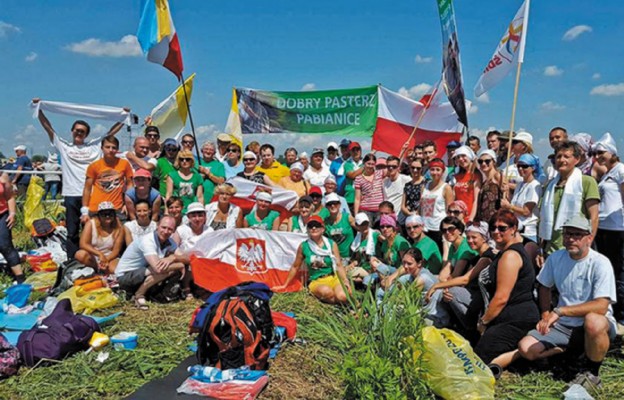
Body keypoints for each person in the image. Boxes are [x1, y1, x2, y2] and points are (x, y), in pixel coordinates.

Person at [517, 215, 617, 388]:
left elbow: (602, 305)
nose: (571, 239)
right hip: (564, 325)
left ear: (589, 238)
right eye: (567, 234)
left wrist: (559, 311)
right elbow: (544, 286)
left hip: (594, 325)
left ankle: (592, 372)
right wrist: (545, 314)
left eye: (577, 235)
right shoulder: (556, 258)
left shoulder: (600, 263)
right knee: (526, 348)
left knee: (593, 321)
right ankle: (568, 352)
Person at [34, 101, 126, 258]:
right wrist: (40, 109)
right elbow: (48, 128)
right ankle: (73, 259)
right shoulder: (64, 146)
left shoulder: (94, 146)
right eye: (77, 130)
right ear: (72, 131)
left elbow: (112, 133)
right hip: (71, 194)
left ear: (86, 134)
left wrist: (123, 116)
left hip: (92, 196)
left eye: (82, 131)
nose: (79, 133)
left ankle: (93, 259)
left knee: (93, 230)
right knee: (72, 231)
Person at [475, 210, 539, 375]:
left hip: (517, 318)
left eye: (502, 228)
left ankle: (521, 352)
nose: (496, 232)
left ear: (513, 229)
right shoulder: (505, 252)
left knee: (479, 361)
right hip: (508, 316)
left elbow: (502, 297)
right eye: (493, 228)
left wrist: (484, 322)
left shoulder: (510, 256)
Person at [425, 221, 495, 338]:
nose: (470, 241)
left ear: (484, 238)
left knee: (451, 292)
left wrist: (437, 286)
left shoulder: (487, 257)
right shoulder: (477, 257)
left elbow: (465, 279)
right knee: (447, 294)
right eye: (468, 237)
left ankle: (470, 329)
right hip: (474, 294)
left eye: (474, 237)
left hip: (484, 298)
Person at [538, 141, 600, 258]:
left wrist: (588, 242)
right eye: (558, 156)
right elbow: (543, 219)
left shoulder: (586, 182)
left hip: (576, 248)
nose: (562, 160)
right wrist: (540, 250)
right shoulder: (550, 186)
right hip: (550, 250)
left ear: (576, 159)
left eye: (566, 156)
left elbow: (594, 216)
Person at [273, 215, 351, 304]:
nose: (313, 228)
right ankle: (346, 305)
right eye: (310, 226)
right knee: (327, 292)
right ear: (308, 230)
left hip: (333, 277)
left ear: (323, 229)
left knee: (342, 295)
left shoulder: (331, 244)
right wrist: (285, 285)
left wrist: (345, 280)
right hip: (317, 280)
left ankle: (348, 303)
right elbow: (295, 266)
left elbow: (339, 264)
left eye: (317, 225)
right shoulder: (303, 246)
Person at [115, 216, 187, 310]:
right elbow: (158, 268)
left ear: (174, 231)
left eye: (170, 229)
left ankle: (155, 294)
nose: (166, 231)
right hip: (125, 277)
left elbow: (187, 258)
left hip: (143, 272)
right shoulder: (148, 241)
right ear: (157, 226)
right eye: (163, 227)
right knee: (164, 270)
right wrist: (180, 265)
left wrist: (173, 257)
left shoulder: (169, 241)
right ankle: (139, 295)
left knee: (168, 268)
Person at [591, 132, 624, 325]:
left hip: (617, 228)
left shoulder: (620, 170)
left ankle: (621, 314)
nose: (598, 156)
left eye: (601, 152)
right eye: (596, 153)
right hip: (604, 228)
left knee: (619, 271)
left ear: (612, 152)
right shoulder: (607, 173)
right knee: (608, 270)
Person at [377, 248, 450, 327]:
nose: (405, 266)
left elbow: (406, 301)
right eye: (403, 263)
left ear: (419, 263)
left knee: (392, 308)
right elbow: (389, 285)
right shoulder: (412, 274)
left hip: (434, 318)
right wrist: (391, 278)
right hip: (422, 313)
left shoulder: (422, 278)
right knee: (381, 293)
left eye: (409, 264)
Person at [82, 136, 134, 222]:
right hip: (96, 208)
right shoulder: (93, 166)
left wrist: (128, 204)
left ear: (117, 149)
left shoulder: (124, 164)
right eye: (107, 147)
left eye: (114, 147)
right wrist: (84, 211)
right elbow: (87, 189)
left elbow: (130, 184)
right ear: (102, 148)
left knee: (120, 234)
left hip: (117, 208)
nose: (110, 150)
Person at [501, 153, 542, 243]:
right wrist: (507, 192)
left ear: (533, 168)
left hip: (528, 233)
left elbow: (526, 211)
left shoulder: (534, 185)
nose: (520, 169)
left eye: (524, 166)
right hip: (518, 230)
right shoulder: (520, 184)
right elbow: (514, 204)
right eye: (518, 166)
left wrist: (509, 206)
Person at [75, 201, 124, 274]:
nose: (107, 216)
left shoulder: (119, 227)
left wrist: (105, 260)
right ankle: (95, 269)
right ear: (99, 216)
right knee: (80, 254)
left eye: (110, 214)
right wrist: (99, 254)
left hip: (110, 256)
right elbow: (83, 244)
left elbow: (116, 251)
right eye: (104, 214)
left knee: (115, 270)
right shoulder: (91, 224)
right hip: (93, 255)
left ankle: (103, 271)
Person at [420, 158, 454, 251]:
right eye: (432, 169)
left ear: (442, 172)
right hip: (425, 228)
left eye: (438, 170)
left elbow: (450, 210)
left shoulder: (446, 188)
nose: (435, 172)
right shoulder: (424, 186)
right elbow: (421, 207)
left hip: (438, 228)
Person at [0, 172, 25, 283]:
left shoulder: (2, 176)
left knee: (5, 246)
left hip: (2, 215)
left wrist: (12, 213)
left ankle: (21, 280)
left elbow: (9, 197)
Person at [437, 217, 478, 281]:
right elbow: (447, 268)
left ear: (460, 230)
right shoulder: (452, 247)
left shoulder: (466, 246)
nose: (447, 232)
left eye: (451, 229)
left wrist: (441, 284)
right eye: (444, 230)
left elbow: (456, 275)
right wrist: (440, 279)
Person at [450, 145, 481, 222]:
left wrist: (471, 218)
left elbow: (475, 200)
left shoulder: (476, 175)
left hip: (469, 217)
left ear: (470, 157)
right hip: (457, 217)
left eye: (463, 156)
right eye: (458, 157)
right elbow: (453, 197)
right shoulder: (457, 176)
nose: (461, 159)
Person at [347, 212, 380, 282]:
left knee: (350, 274)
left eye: (366, 224)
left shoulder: (375, 234)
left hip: (374, 268)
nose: (364, 226)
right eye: (361, 224)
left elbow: (385, 240)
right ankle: (366, 280)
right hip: (363, 267)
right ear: (356, 225)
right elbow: (358, 258)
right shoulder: (358, 238)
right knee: (347, 272)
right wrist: (352, 264)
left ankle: (368, 280)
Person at [324, 193, 355, 263]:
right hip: (334, 258)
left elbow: (361, 228)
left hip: (350, 257)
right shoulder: (325, 222)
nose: (332, 205)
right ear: (326, 206)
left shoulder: (347, 217)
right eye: (329, 204)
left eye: (335, 203)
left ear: (339, 204)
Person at [354, 153, 385, 221]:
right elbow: (357, 198)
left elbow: (395, 167)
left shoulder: (380, 173)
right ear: (364, 163)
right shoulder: (358, 178)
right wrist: (356, 215)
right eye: (368, 163)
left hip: (380, 210)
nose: (370, 166)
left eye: (372, 164)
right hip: (365, 210)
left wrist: (402, 151)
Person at [475, 149, 502, 223]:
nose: (483, 164)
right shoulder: (485, 181)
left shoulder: (497, 176)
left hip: (495, 220)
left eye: (487, 161)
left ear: (494, 162)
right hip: (484, 221)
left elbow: (506, 196)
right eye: (480, 161)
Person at [383, 156, 411, 223]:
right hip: (387, 219)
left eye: (394, 166)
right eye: (388, 166)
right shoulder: (384, 182)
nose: (391, 168)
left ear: (398, 167)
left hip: (400, 219)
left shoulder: (405, 179)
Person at [342, 142, 364, 209]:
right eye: (353, 150)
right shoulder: (347, 164)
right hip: (350, 198)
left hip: (363, 197)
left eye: (357, 149)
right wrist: (365, 167)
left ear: (360, 151)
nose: (355, 152)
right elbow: (352, 175)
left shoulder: (364, 163)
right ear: (350, 152)